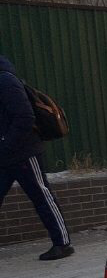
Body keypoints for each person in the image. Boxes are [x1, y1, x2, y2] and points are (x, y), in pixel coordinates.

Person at [0, 54, 72, 261]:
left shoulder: (5, 80)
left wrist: (6, 143)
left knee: (42, 196)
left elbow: (25, 116)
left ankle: (63, 243)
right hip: (4, 155)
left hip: (24, 152)